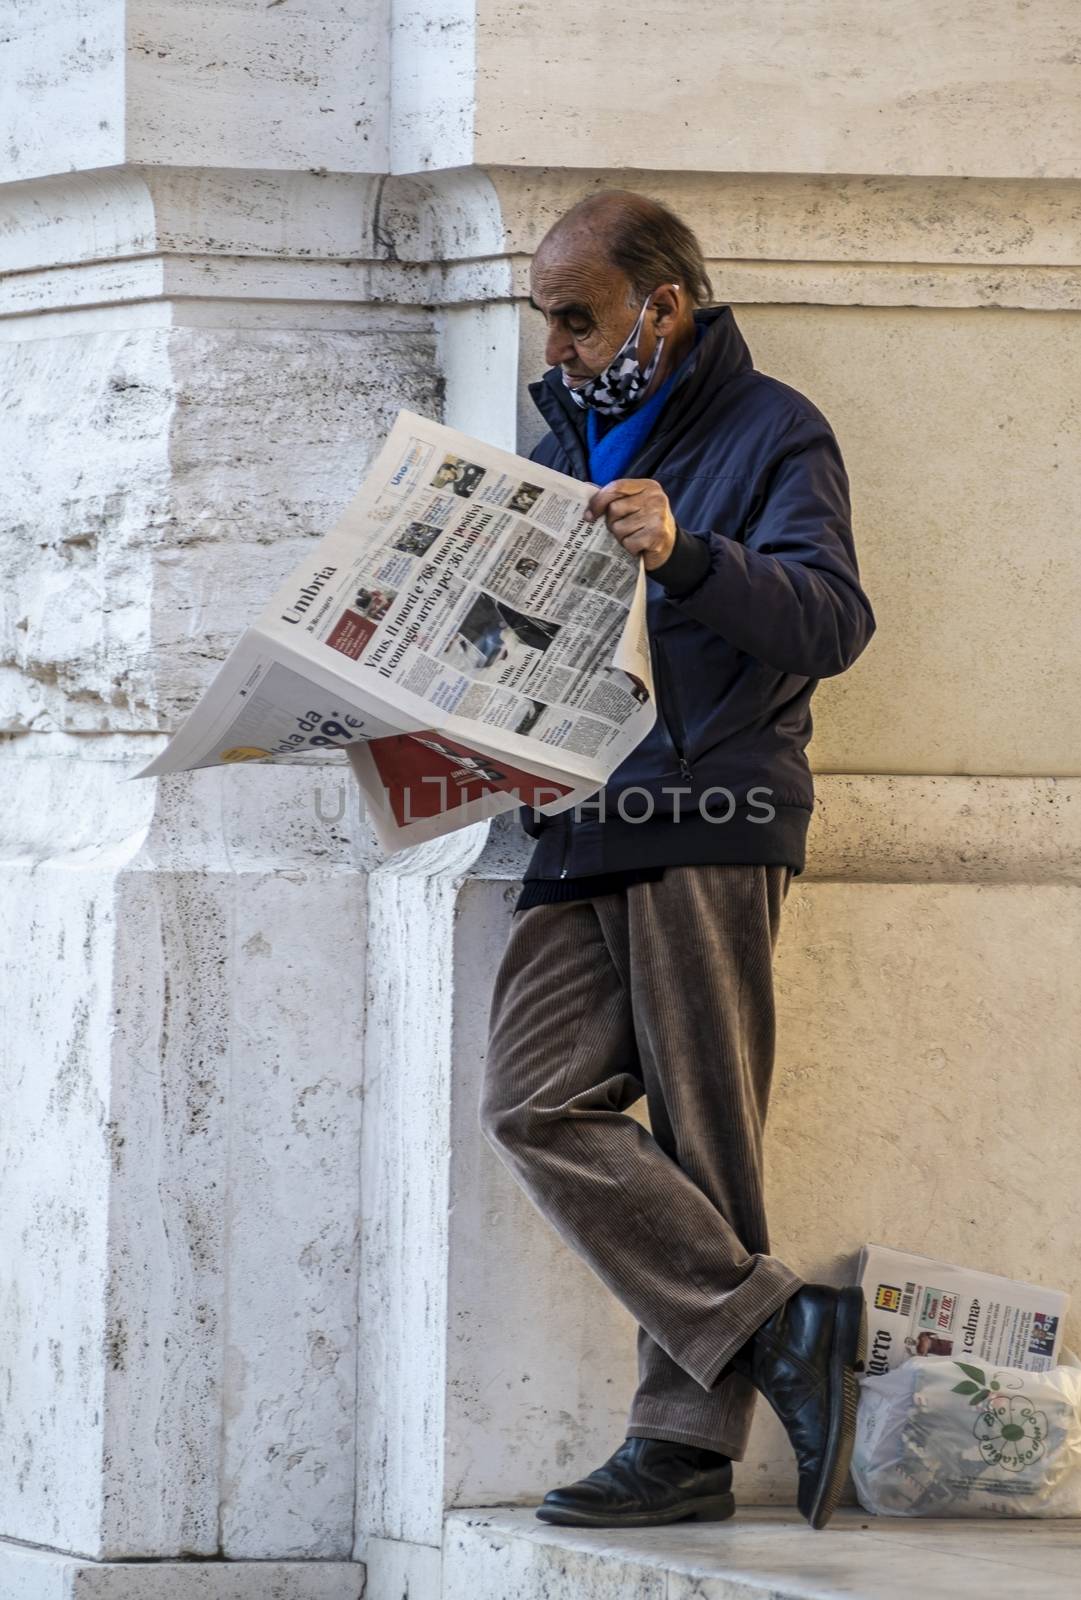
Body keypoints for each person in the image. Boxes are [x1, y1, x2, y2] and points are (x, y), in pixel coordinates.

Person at [477, 190, 877, 1533]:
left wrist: (688, 555)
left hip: (706, 818)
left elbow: (829, 619)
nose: (558, 352)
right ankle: (778, 1333)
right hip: (574, 818)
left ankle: (682, 1452)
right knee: (531, 1102)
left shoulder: (773, 429)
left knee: (708, 1143)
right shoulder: (553, 441)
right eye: (547, 324)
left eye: (576, 320)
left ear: (663, 305)